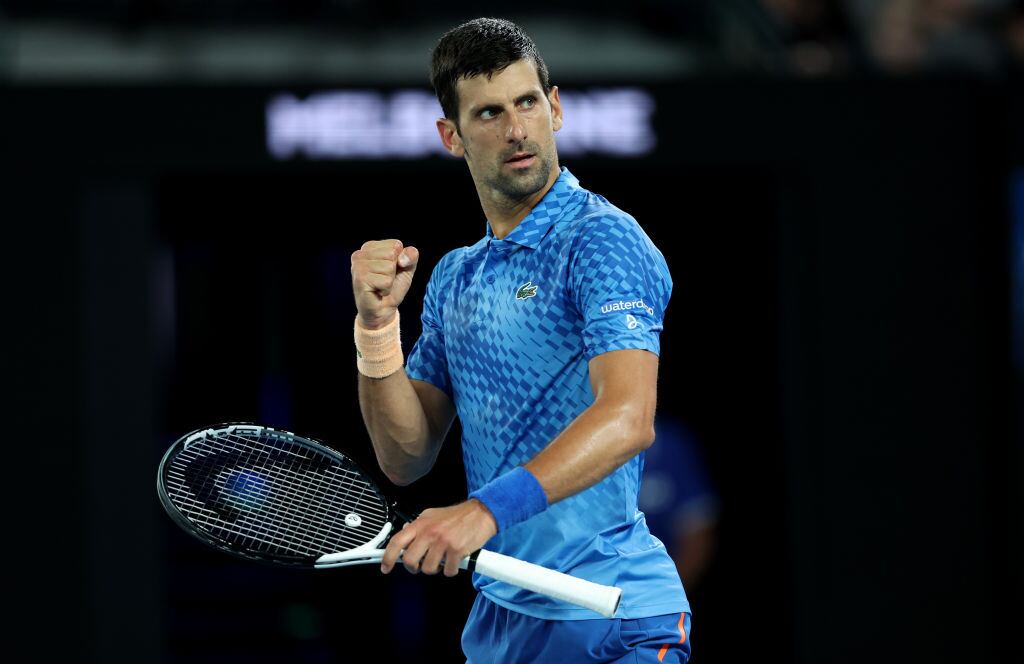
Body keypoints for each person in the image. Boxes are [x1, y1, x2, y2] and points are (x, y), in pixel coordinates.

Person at [349, 17, 690, 663]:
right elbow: (406, 455)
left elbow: (627, 417)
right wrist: (376, 329)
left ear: (554, 108)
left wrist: (483, 512)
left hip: (613, 616)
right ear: (451, 136)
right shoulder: (456, 276)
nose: (515, 129)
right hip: (503, 619)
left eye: (527, 103)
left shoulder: (601, 239)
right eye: (488, 113)